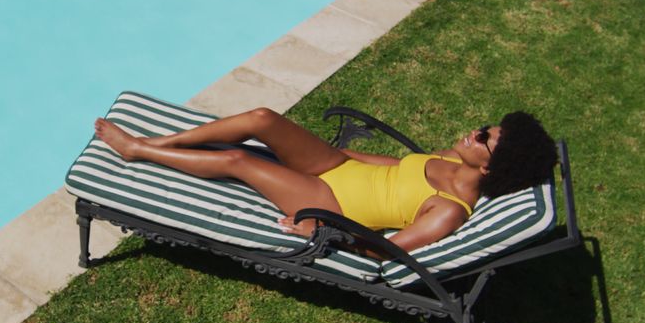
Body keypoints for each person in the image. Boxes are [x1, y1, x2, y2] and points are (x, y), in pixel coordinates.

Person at [94, 107, 556, 256]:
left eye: (484, 138)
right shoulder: (449, 158)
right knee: (261, 119)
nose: (474, 131)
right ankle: (165, 137)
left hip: (328, 200)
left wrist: (321, 230)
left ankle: (138, 150)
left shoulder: (450, 209)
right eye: (485, 127)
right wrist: (328, 152)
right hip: (337, 168)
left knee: (238, 159)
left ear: (492, 169)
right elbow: (394, 167)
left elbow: (387, 248)